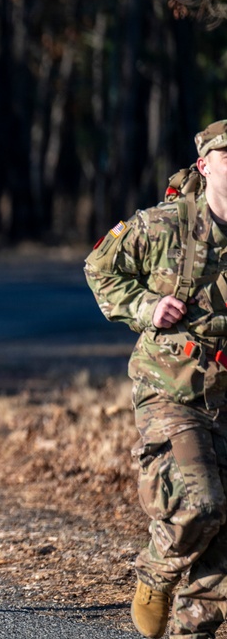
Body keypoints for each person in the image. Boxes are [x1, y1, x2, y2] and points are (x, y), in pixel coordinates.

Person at [85, 119, 227, 639]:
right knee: (201, 504)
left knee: (223, 535)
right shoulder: (164, 225)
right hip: (169, 385)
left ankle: (196, 626)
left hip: (225, 392)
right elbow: (100, 267)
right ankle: (155, 571)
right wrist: (146, 306)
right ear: (205, 165)